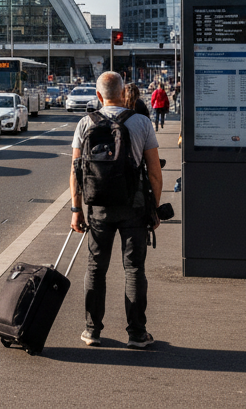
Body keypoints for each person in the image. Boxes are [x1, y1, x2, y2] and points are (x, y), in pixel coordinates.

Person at [70, 71, 161, 350]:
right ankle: (136, 334)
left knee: (96, 269)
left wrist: (76, 209)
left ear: (98, 96)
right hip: (133, 206)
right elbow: (155, 173)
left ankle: (91, 331)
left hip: (98, 207)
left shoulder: (85, 123)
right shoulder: (142, 122)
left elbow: (75, 171)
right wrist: (153, 209)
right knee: (134, 269)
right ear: (124, 93)